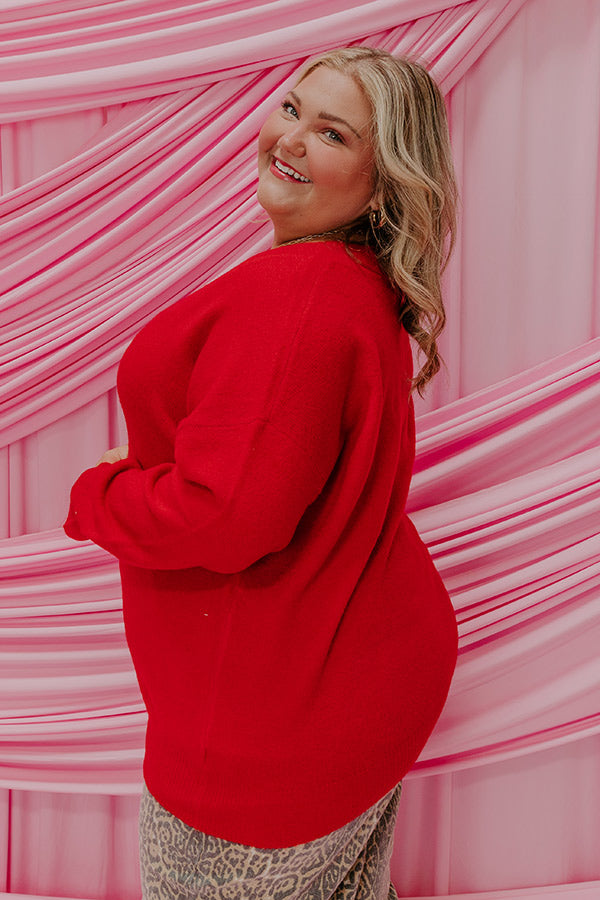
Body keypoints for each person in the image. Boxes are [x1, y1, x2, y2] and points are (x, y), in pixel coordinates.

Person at [64, 45, 459, 900]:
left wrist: (102, 496)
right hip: (350, 685)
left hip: (277, 728)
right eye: (291, 108)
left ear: (382, 183)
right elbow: (268, 461)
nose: (292, 139)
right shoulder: (351, 280)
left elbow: (229, 514)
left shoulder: (299, 298)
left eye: (333, 133)